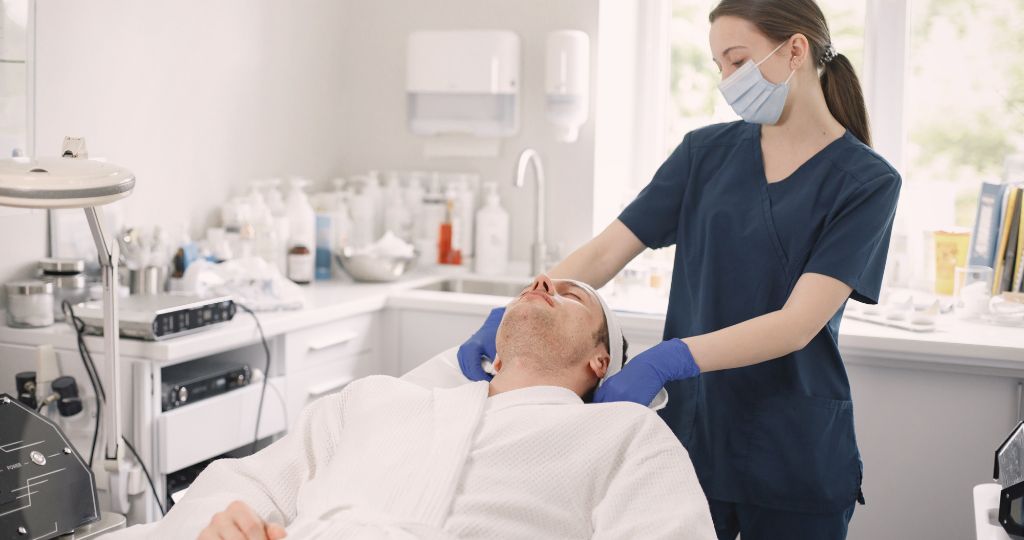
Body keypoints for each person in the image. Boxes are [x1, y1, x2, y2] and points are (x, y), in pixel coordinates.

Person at [457, 1, 901, 538]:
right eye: (719, 66)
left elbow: (797, 324)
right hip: (694, 434)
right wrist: (516, 309)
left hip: (793, 446)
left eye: (738, 62)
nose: (728, 81)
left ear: (796, 51)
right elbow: (603, 255)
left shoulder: (867, 182)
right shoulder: (704, 154)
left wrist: (671, 357)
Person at [106, 274, 715, 540]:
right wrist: (218, 524)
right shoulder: (377, 400)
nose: (542, 285)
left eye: (572, 294)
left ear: (600, 363)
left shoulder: (623, 435)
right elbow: (245, 483)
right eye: (533, 286)